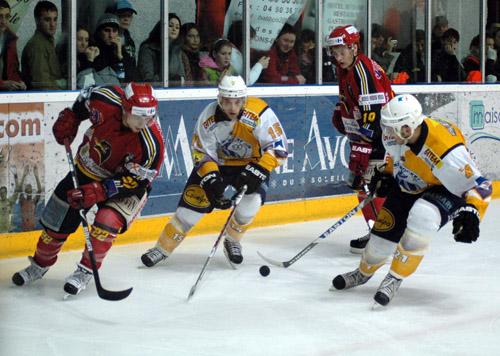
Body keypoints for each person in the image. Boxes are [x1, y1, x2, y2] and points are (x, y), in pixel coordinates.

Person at [331, 94, 492, 307]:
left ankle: (395, 277)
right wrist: (386, 174)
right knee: (380, 239)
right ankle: (363, 272)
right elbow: (397, 157)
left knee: (423, 215)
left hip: (444, 188)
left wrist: (472, 213)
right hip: (411, 183)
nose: (386, 133)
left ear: (408, 128)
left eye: (392, 128)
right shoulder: (397, 135)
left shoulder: (446, 149)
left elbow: (481, 185)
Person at [12, 82, 165, 296]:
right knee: (56, 225)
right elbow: (85, 99)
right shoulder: (104, 98)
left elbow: (136, 182)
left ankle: (85, 271)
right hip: (88, 167)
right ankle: (39, 264)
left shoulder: (152, 145)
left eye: (149, 117)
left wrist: (98, 191)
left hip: (126, 186)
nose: (144, 123)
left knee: (107, 221)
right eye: (138, 116)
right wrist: (73, 118)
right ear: (124, 107)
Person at [141, 75, 288, 267]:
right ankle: (162, 248)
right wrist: (211, 178)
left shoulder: (259, 112)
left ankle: (232, 241)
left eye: (237, 102)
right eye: (227, 102)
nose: (232, 108)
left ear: (244, 99)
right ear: (219, 99)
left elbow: (279, 147)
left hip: (251, 165)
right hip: (218, 165)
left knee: (251, 204)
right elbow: (201, 153)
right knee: (189, 211)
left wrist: (259, 169)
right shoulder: (208, 117)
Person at [326, 24, 394, 253]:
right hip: (368, 135)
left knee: (372, 185)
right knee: (364, 185)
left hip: (381, 137)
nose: (337, 57)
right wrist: (341, 109)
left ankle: (387, 236)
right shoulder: (346, 67)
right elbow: (350, 99)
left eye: (342, 51)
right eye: (334, 53)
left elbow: (374, 116)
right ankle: (379, 232)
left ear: (354, 47)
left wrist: (362, 148)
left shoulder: (362, 70)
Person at [21, 0, 66, 90]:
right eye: (47, 20)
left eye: (55, 19)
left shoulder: (47, 43)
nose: (52, 24)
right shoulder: (37, 46)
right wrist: (64, 88)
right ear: (37, 20)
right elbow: (42, 84)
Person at [227, 20, 269, 85]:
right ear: (241, 39)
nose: (250, 43)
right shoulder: (233, 54)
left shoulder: (231, 50)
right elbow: (248, 81)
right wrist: (260, 65)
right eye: (249, 40)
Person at [0, 0, 26, 91]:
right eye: (0, 16)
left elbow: (13, 70)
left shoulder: (10, 39)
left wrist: (19, 82)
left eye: (7, 17)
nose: (3, 21)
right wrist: (2, 84)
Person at [112, 0, 138, 82]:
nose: (126, 19)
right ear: (115, 16)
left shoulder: (130, 40)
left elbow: (132, 65)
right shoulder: (109, 40)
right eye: (122, 16)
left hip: (129, 83)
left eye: (129, 16)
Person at [0, 165, 28, 233]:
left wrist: (16, 176)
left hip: (7, 231)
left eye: (3, 192)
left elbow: (17, 190)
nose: (2, 194)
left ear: (6, 193)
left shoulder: (10, 201)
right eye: (1, 193)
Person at [19, 164, 43, 231]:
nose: (29, 191)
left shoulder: (34, 201)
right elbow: (19, 189)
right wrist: (24, 175)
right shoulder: (23, 201)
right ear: (25, 192)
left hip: (32, 227)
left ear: (32, 191)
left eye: (30, 189)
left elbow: (39, 190)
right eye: (27, 190)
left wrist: (36, 176)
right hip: (24, 228)